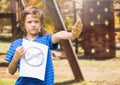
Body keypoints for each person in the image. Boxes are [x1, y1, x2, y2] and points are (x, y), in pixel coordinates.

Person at [5, 6, 82, 85]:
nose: (33, 25)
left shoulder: (46, 40)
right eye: (29, 22)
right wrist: (15, 58)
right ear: (23, 25)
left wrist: (72, 34)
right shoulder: (16, 44)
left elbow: (58, 35)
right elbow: (11, 71)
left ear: (41, 24)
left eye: (36, 21)